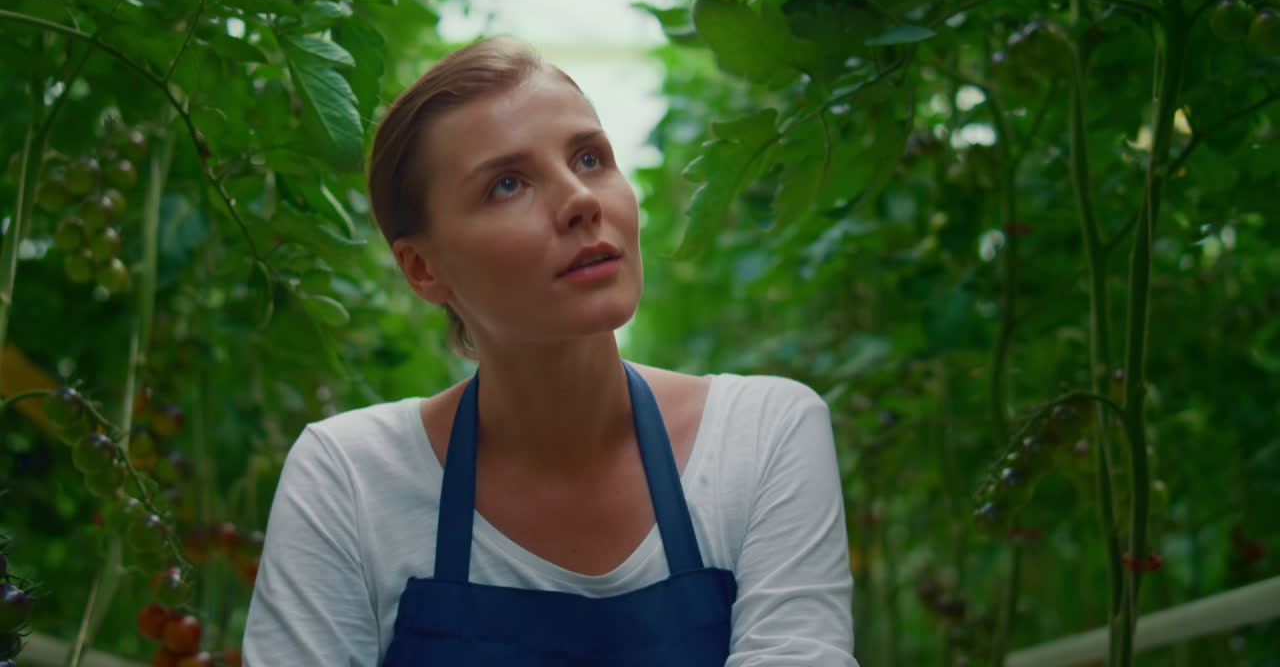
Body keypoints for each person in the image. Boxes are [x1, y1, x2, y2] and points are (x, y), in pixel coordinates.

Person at [242, 36, 859, 666]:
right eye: (507, 184)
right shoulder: (348, 480)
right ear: (423, 268)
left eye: (589, 158)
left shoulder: (763, 436)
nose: (581, 200)